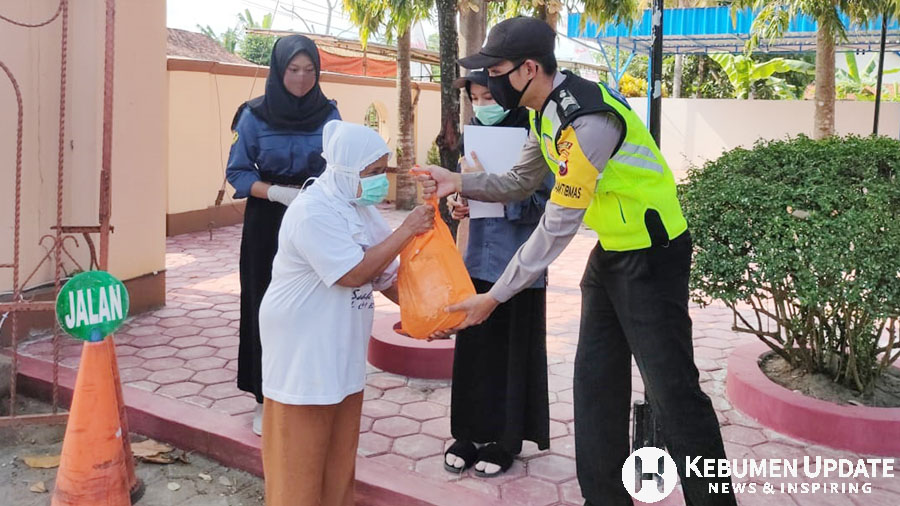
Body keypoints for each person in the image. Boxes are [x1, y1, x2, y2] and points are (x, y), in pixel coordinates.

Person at [419, 17, 737, 506]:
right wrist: (456, 181)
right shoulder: (544, 113)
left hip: (652, 257)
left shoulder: (585, 120)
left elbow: (557, 225)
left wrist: (495, 296)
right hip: (610, 254)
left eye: (495, 69)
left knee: (675, 395)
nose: (488, 81)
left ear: (528, 68)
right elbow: (518, 182)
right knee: (595, 387)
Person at [258, 120, 434, 506]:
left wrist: (428, 318)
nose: (379, 182)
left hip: (340, 348)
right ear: (344, 171)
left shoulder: (358, 206)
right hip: (302, 352)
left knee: (338, 459)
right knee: (298, 464)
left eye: (381, 172)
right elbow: (353, 273)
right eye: (371, 173)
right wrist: (406, 230)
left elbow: (385, 275)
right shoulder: (312, 211)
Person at [226, 35, 341, 436]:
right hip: (267, 220)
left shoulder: (329, 114)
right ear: (278, 70)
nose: (302, 78)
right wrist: (275, 192)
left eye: (310, 70)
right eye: (293, 69)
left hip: (316, 218)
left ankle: (309, 392)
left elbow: (340, 165)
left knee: (312, 305)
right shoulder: (254, 115)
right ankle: (264, 396)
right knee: (265, 305)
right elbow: (238, 172)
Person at [442, 71, 554, 477]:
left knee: (511, 351)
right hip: (475, 260)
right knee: (474, 350)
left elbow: (547, 202)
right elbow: (462, 194)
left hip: (519, 264)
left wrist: (501, 202)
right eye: (475, 97)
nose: (482, 104)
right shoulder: (473, 138)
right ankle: (469, 433)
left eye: (489, 95)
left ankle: (505, 440)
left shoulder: (537, 137)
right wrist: (461, 204)